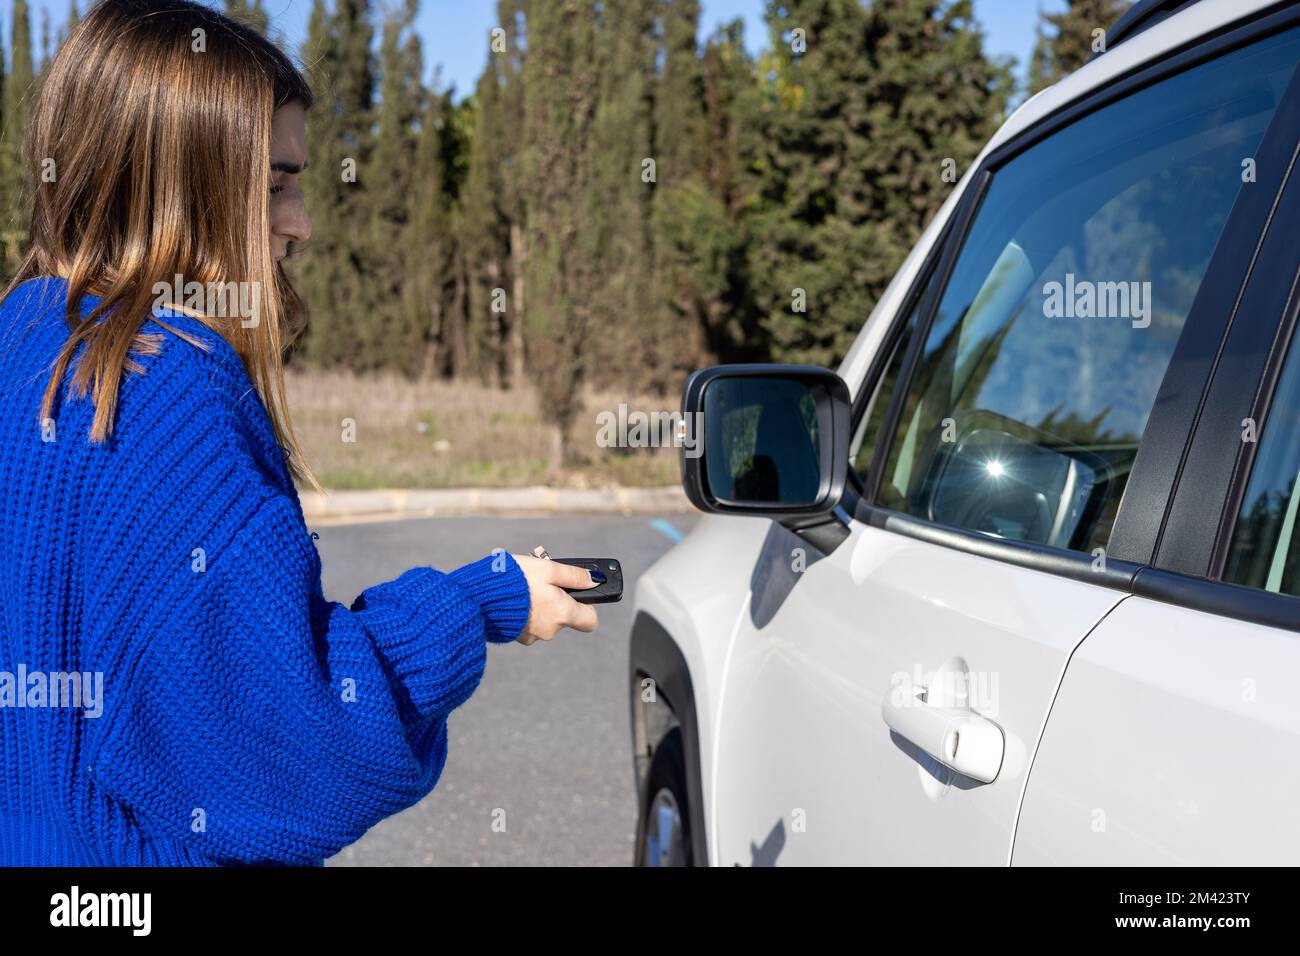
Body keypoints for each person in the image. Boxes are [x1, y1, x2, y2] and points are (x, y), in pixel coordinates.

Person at [0, 0, 597, 867]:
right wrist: (480, 600)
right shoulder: (168, 385)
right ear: (183, 183)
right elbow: (295, 746)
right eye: (275, 184)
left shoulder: (22, 334)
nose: (301, 223)